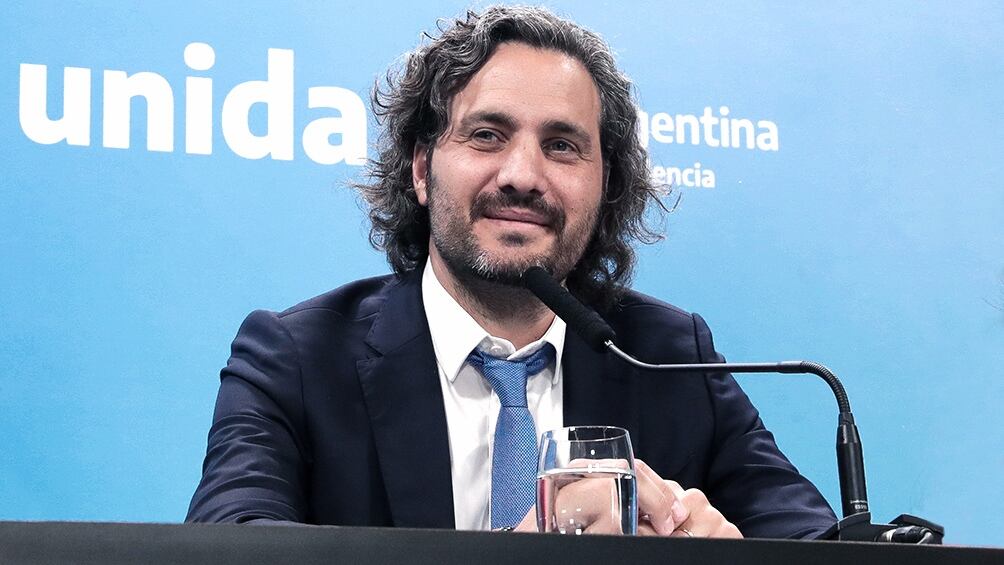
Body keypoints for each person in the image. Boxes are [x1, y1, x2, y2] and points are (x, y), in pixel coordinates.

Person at [186, 6, 837, 539]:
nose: (523, 175)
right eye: (487, 135)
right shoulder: (296, 359)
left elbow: (822, 543)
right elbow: (230, 550)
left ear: (604, 183)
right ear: (421, 169)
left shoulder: (669, 356)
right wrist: (527, 548)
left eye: (561, 145)